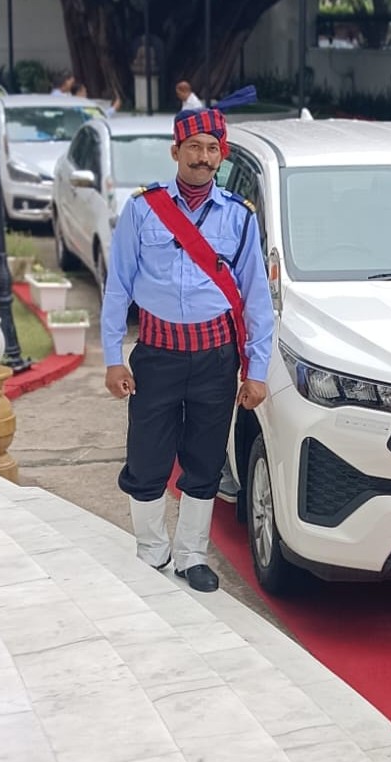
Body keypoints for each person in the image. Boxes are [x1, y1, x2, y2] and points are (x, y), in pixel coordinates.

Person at [100, 104, 274, 593]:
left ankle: (192, 553)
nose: (202, 156)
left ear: (222, 156)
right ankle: (151, 551)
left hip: (216, 360)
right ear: (176, 151)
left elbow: (258, 301)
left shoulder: (239, 218)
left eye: (211, 148)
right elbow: (118, 287)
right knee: (147, 456)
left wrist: (255, 371)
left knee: (203, 460)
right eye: (193, 147)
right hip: (156, 354)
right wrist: (113, 358)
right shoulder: (142, 209)